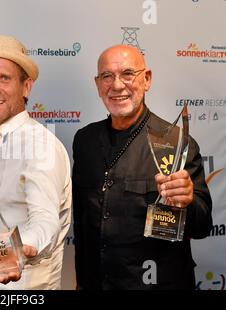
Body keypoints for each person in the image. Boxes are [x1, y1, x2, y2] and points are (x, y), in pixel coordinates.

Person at [72, 44, 213, 290]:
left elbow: (202, 226)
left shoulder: (176, 143)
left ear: (146, 79)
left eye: (128, 74)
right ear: (97, 85)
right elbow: (82, 224)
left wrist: (187, 201)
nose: (116, 85)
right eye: (107, 76)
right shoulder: (85, 141)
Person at [0, 35, 72, 289]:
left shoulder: (39, 145)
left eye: (4, 78)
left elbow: (45, 220)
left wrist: (24, 246)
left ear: (26, 87)